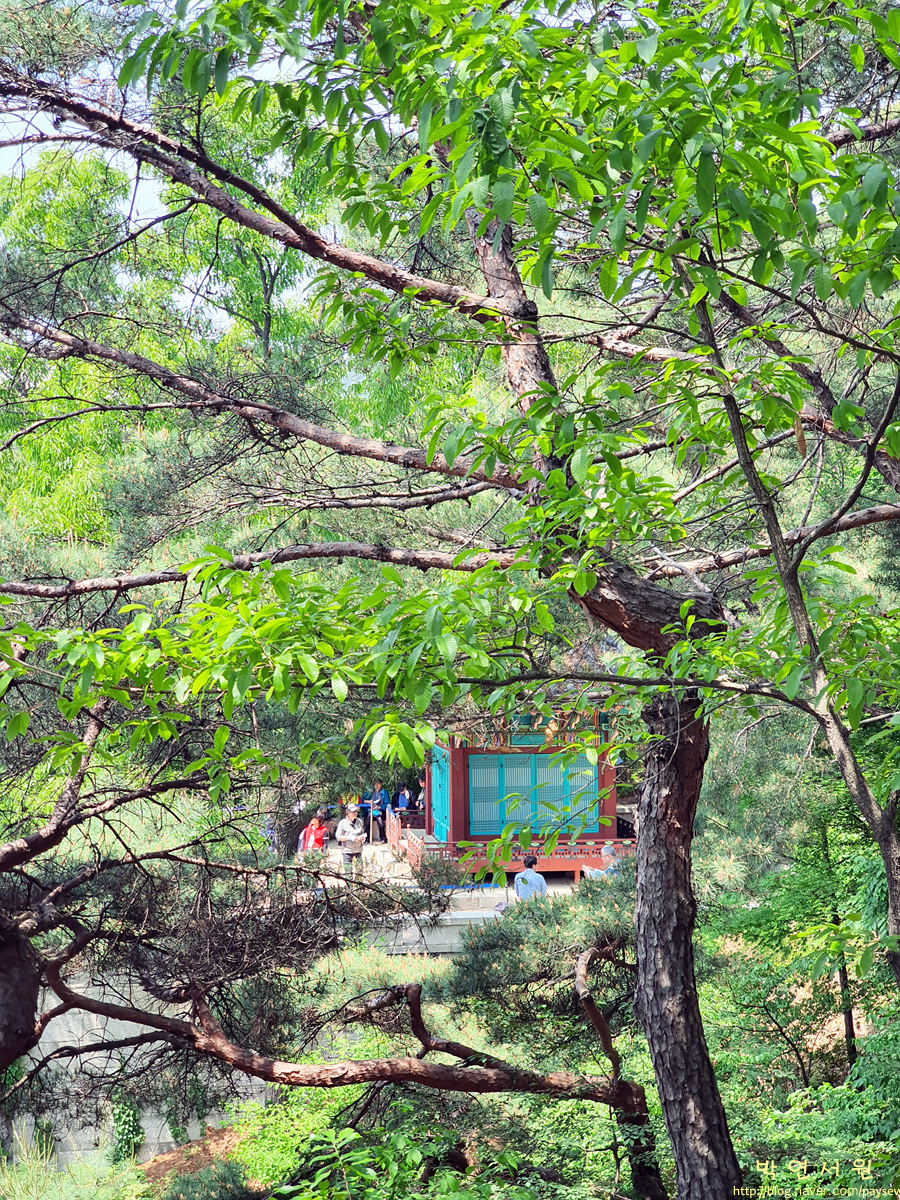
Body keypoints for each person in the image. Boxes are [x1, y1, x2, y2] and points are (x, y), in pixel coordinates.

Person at [335, 803, 366, 873]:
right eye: (353, 812)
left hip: (358, 851)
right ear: (347, 813)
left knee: (360, 873)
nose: (355, 813)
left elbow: (362, 833)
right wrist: (349, 838)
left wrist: (362, 838)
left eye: (356, 811)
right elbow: (338, 837)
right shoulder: (342, 823)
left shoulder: (359, 822)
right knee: (348, 874)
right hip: (347, 852)